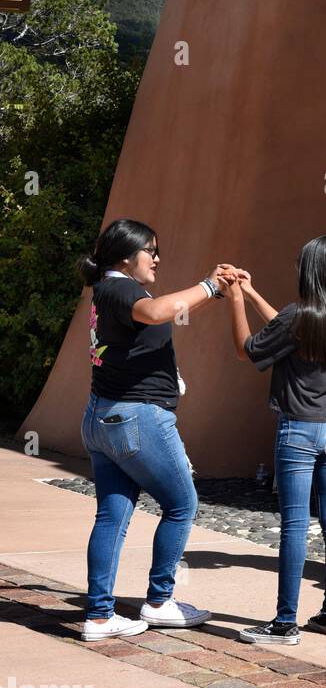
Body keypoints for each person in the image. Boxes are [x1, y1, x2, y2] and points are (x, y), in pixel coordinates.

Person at [78, 219, 230, 641]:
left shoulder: (108, 290)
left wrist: (206, 296)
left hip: (103, 417)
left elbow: (160, 317)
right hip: (136, 418)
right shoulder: (122, 289)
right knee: (182, 503)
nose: (158, 258)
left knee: (112, 515)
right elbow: (158, 311)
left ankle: (99, 616)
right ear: (127, 255)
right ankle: (160, 601)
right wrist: (209, 287)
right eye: (152, 250)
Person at [226, 236, 326, 645]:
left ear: (312, 272)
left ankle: (285, 623)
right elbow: (285, 331)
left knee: (295, 524)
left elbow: (247, 351)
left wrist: (233, 297)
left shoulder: (298, 316)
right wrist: (251, 292)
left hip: (299, 430)